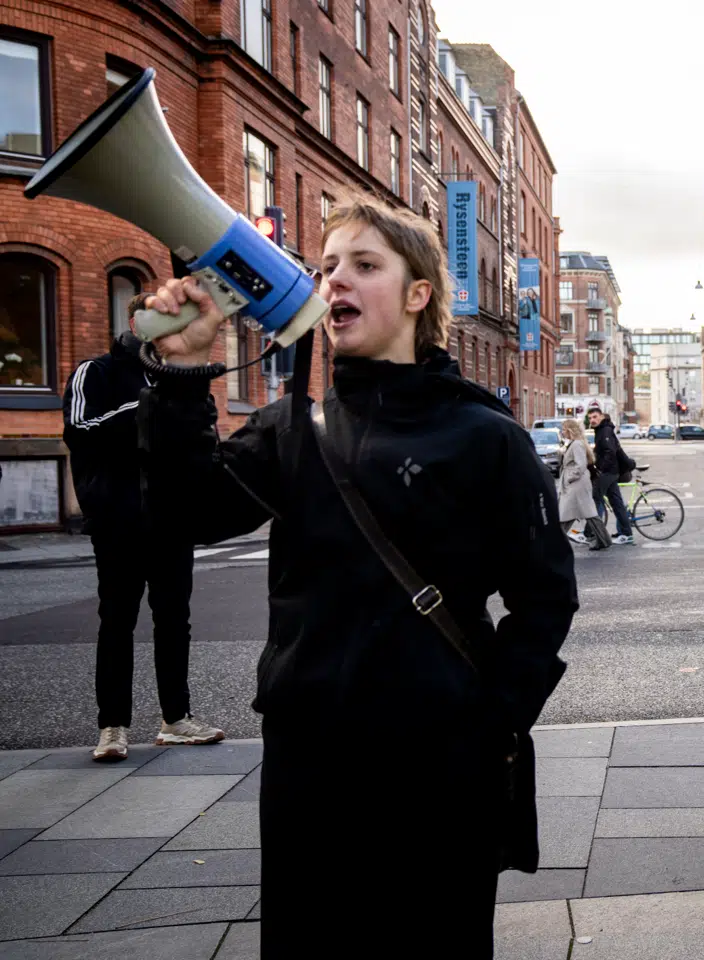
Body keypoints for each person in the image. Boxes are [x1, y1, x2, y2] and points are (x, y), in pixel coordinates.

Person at [136, 196, 577, 958]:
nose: (336, 280)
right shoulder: (292, 428)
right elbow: (184, 516)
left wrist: (494, 717)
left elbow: (545, 597)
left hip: (439, 758)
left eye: (365, 265)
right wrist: (179, 380)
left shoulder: (485, 437)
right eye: (328, 266)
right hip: (311, 756)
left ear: (418, 294)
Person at [63, 292, 223, 762]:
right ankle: (112, 726)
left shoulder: (175, 374)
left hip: (171, 519)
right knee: (117, 621)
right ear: (135, 320)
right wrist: (144, 408)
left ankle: (176, 719)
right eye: (158, 314)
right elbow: (80, 430)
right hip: (117, 519)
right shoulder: (98, 372)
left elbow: (199, 438)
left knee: (175, 621)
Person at [587, 406, 634, 545]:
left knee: (596, 499)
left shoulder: (605, 430)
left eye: (595, 417)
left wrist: (599, 469)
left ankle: (589, 533)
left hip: (608, 472)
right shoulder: (601, 430)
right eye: (590, 418)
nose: (592, 420)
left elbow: (610, 452)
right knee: (616, 503)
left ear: (601, 417)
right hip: (611, 472)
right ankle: (626, 533)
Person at [557, 418, 604, 549]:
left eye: (564, 429)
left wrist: (570, 478)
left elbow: (581, 464)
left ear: (570, 430)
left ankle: (555, 542)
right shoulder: (575, 443)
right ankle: (604, 540)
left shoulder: (577, 444)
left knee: (566, 513)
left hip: (576, 484)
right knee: (584, 513)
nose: (562, 431)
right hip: (577, 483)